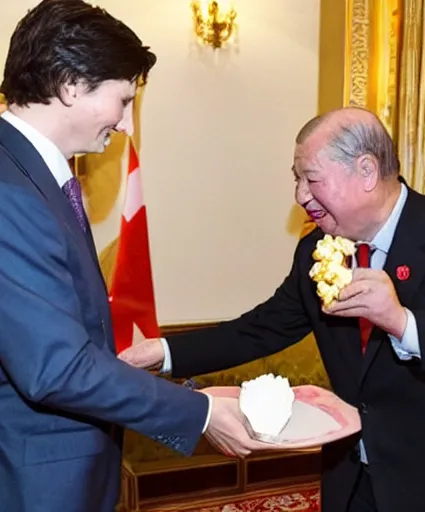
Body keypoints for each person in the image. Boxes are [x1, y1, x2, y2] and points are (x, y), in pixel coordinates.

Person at [120, 106, 425, 512]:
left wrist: (403, 323)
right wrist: (165, 352)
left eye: (311, 179)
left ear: (366, 171)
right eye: (296, 179)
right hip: (351, 482)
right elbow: (260, 328)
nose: (300, 196)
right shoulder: (315, 250)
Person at [0, 1, 266, 511]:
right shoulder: (11, 191)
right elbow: (55, 368)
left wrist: (193, 393)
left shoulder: (32, 175)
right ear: (72, 84)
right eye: (122, 100)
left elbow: (63, 335)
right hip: (34, 483)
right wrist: (198, 411)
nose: (125, 124)